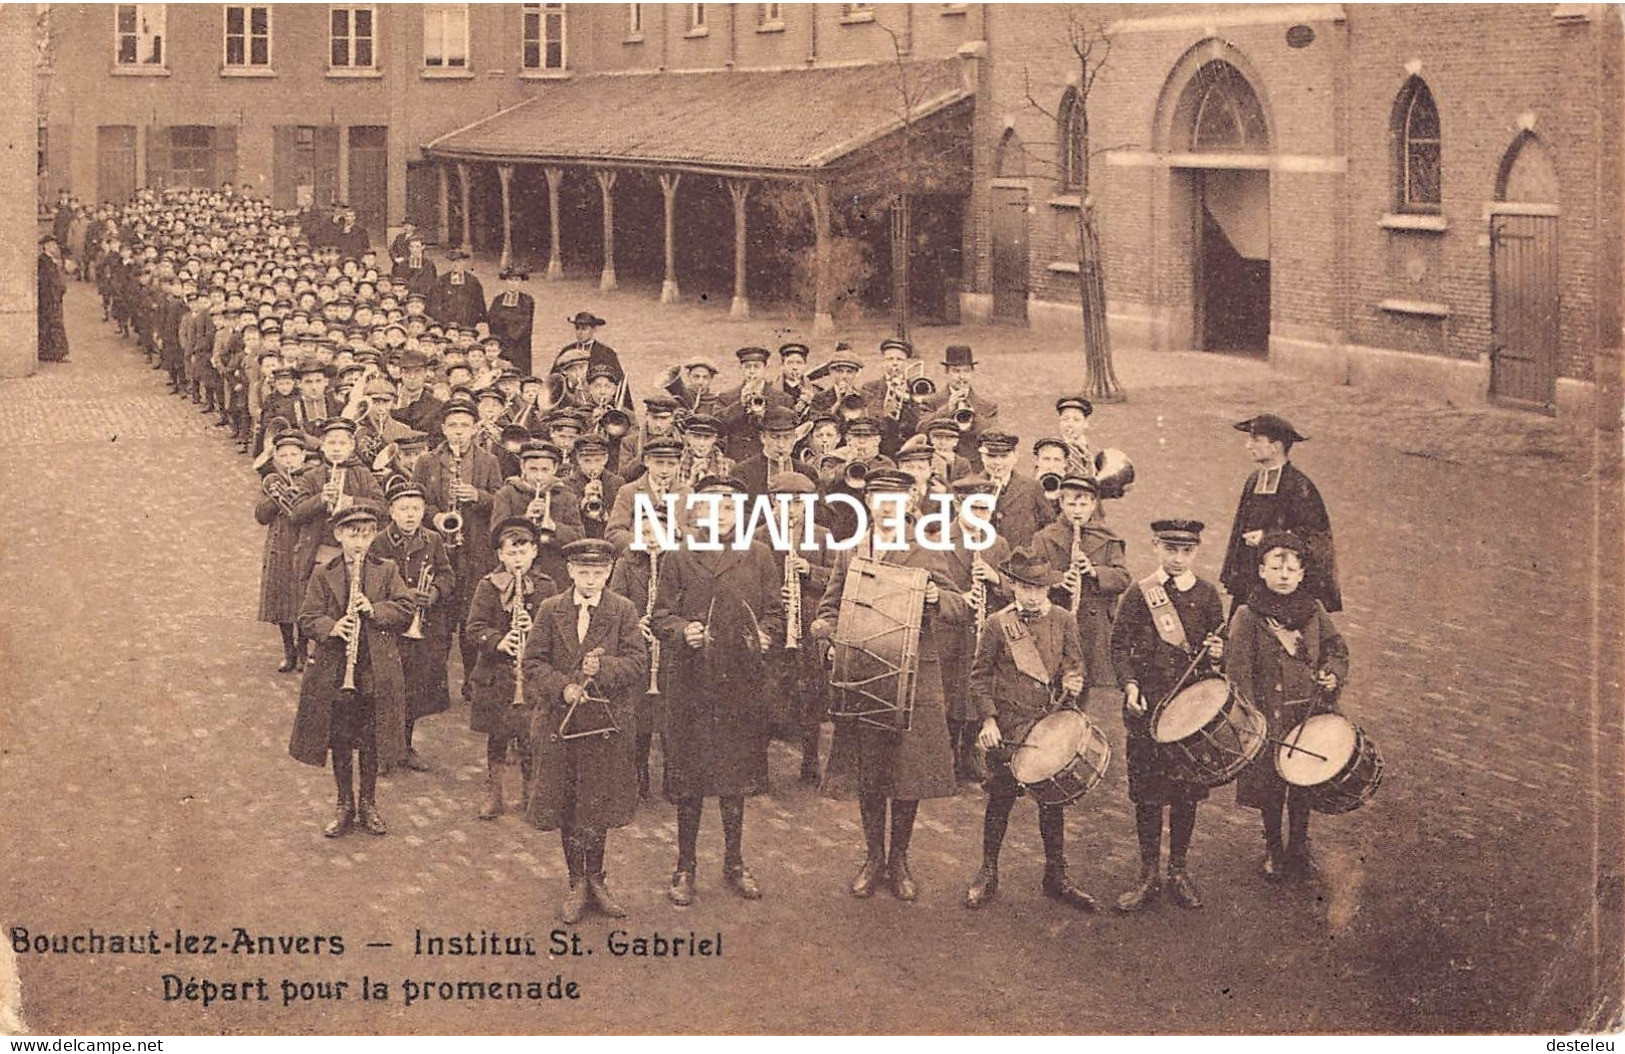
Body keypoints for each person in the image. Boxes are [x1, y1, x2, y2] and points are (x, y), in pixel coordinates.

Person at [813, 468, 964, 902]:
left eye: (893, 500)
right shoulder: (851, 550)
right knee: (871, 770)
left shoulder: (928, 548)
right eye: (878, 499)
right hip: (864, 674)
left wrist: (938, 598)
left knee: (907, 771)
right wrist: (826, 637)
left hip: (914, 676)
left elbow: (960, 605)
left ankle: (900, 859)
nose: (885, 508)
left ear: (908, 503)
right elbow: (827, 609)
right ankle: (873, 857)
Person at [653, 475, 785, 906]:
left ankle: (734, 862)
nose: (721, 512)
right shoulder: (677, 556)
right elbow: (660, 616)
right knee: (689, 781)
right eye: (711, 505)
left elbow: (774, 611)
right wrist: (682, 630)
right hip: (691, 683)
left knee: (734, 779)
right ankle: (684, 866)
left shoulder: (759, 554)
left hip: (739, 682)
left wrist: (766, 635)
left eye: (729, 505)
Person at [523, 538, 648, 923]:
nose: (590, 579)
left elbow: (637, 662)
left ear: (608, 572)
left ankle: (597, 878)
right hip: (560, 725)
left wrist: (604, 669)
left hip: (604, 725)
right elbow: (533, 663)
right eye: (583, 572)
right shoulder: (550, 609)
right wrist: (564, 687)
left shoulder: (623, 610)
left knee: (597, 803)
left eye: (598, 572)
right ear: (570, 572)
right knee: (566, 802)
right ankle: (576, 881)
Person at [963, 546, 1094, 911]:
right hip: (1007, 729)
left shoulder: (1064, 620)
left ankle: (1056, 875)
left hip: (1048, 726)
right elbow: (979, 678)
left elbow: (1076, 665)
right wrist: (987, 720)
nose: (1033, 596)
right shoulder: (996, 624)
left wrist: (1074, 681)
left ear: (1049, 589)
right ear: (1013, 587)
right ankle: (988, 871)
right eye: (1025, 588)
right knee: (999, 802)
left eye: (1039, 589)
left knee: (1053, 804)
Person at [1110, 519, 1227, 913]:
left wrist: (1216, 653)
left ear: (1196, 551)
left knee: (1185, 794)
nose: (1178, 559)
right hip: (1147, 710)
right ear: (1155, 545)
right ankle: (1148, 874)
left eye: (1186, 551)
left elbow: (1219, 650)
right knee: (1147, 794)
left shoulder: (1209, 595)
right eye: (1170, 549)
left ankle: (1178, 869)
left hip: (1190, 714)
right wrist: (1129, 686)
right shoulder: (1138, 593)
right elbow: (1118, 646)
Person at [1227, 530, 1349, 883]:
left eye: (1291, 569)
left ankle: (1298, 845)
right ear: (1261, 570)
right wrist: (1250, 717)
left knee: (1303, 781)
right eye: (1275, 567)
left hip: (1305, 714)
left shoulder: (1313, 611)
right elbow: (1238, 672)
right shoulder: (1248, 616)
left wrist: (1331, 675)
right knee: (1271, 786)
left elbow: (1335, 648)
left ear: (1301, 574)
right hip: (1269, 716)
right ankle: (1272, 847)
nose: (1283, 576)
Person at [289, 502, 415, 838]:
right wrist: (333, 627)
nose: (359, 543)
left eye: (366, 535)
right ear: (339, 535)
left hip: (374, 667)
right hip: (336, 668)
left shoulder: (386, 569)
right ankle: (344, 803)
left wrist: (373, 609)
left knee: (371, 738)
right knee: (341, 738)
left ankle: (369, 803)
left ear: (373, 536)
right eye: (352, 535)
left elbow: (405, 607)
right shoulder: (323, 572)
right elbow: (307, 617)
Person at [464, 516, 560, 820]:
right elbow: (474, 627)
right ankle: (495, 794)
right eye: (511, 553)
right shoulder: (487, 586)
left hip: (531, 677)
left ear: (534, 552)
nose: (517, 559)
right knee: (499, 737)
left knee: (531, 737)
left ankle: (531, 793)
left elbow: (557, 629)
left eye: (523, 552)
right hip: (496, 676)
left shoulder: (546, 586)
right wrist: (499, 641)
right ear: (500, 555)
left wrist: (533, 633)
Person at [369, 476, 457, 771]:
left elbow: (446, 575)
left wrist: (432, 593)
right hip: (392, 627)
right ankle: (384, 751)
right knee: (387, 688)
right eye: (404, 508)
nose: (410, 515)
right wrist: (405, 596)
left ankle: (405, 747)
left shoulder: (433, 539)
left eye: (416, 509)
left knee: (415, 690)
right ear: (391, 511)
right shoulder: (379, 542)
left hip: (424, 626)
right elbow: (373, 582)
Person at [1219, 414, 1341, 612]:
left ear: (1275, 447)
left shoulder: (1300, 486)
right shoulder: (1253, 480)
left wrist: (1269, 537)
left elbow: (1316, 537)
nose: (1248, 445)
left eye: (1255, 440)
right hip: (1251, 576)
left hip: (1283, 582)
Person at [1029, 475, 1130, 705]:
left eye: (1083, 504)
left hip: (1090, 630)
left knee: (1080, 688)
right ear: (1061, 503)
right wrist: (1058, 579)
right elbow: (1032, 573)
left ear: (1094, 504)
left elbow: (1123, 578)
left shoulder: (1108, 538)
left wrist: (1094, 572)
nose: (1077, 510)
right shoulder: (1044, 538)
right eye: (1071, 504)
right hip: (1053, 621)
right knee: (1049, 682)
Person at [255, 430, 312, 673]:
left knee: (304, 598)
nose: (289, 459)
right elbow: (260, 516)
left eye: (294, 454)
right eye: (284, 455)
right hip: (280, 547)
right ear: (276, 457)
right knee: (281, 601)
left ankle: (303, 649)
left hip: (304, 542)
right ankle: (288, 649)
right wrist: (274, 499)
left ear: (303, 456)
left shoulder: (311, 478)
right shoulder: (271, 481)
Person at [487, 267, 535, 375]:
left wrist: (511, 337)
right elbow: (492, 321)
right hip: (501, 343)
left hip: (519, 345)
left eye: (516, 280)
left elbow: (525, 323)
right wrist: (500, 341)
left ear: (521, 282)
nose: (513, 283)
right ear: (506, 282)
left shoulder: (527, 301)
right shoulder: (498, 300)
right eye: (510, 280)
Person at [37, 236, 69, 363]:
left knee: (53, 323)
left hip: (55, 297)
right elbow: (45, 282)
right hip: (49, 297)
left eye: (54, 244)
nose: (55, 247)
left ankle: (53, 352)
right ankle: (57, 353)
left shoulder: (51, 260)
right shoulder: (43, 261)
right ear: (46, 246)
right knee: (53, 323)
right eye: (51, 245)